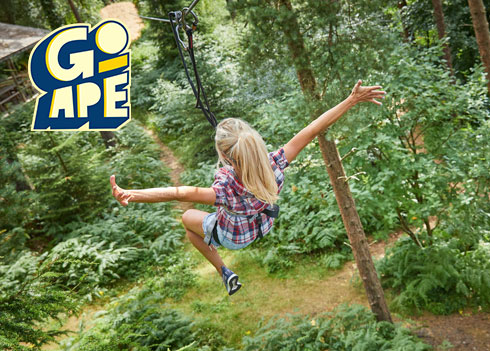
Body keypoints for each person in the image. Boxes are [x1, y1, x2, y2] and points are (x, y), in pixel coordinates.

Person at [110, 80, 385, 295]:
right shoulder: (275, 164)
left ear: (226, 157)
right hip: (262, 227)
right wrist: (351, 100)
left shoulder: (224, 189)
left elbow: (180, 194)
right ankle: (224, 270)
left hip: (234, 237)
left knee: (186, 221)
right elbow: (312, 129)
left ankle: (223, 271)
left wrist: (132, 195)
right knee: (195, 221)